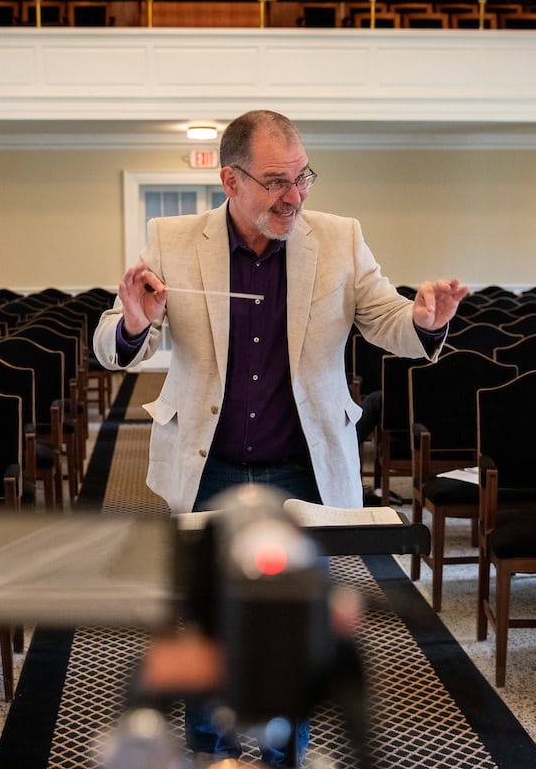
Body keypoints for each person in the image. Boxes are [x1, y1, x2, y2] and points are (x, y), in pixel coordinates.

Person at [93, 109, 467, 766]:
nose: (294, 196)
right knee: (209, 628)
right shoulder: (173, 238)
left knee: (294, 630)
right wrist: (132, 322)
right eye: (275, 181)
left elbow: (388, 318)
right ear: (229, 181)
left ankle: (285, 759)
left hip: (304, 471)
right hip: (205, 468)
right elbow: (117, 340)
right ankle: (210, 754)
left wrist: (424, 320)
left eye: (302, 178)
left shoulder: (340, 238)